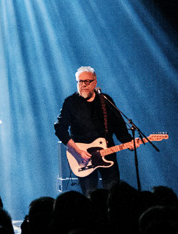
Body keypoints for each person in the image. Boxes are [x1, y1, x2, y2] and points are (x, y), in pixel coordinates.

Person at [54, 66, 134, 194]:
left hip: (107, 153)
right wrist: (77, 151)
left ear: (95, 82)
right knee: (89, 195)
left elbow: (119, 126)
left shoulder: (105, 100)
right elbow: (60, 128)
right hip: (83, 157)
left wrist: (129, 141)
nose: (83, 85)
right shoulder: (70, 102)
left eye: (87, 81)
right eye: (80, 82)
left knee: (113, 193)